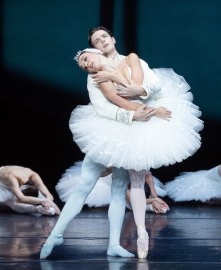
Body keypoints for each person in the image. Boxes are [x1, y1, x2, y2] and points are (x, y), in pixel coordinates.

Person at [40, 26, 177, 260]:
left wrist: (141, 92)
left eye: (104, 37)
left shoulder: (131, 59)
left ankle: (114, 244)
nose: (101, 41)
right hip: (110, 129)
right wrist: (136, 114)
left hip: (131, 133)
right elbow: (105, 106)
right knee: (85, 184)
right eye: (96, 40)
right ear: (94, 50)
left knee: (117, 190)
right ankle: (55, 235)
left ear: (112, 39)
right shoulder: (94, 76)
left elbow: (152, 84)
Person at [55, 161, 170, 214]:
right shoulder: (121, 177)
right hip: (107, 179)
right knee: (122, 203)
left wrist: (156, 200)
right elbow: (133, 203)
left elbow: (154, 194)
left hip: (126, 183)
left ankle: (153, 207)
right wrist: (152, 202)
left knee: (157, 206)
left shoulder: (146, 174)